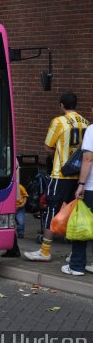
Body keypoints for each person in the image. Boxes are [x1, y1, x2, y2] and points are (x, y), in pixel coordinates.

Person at [25, 92, 89, 261]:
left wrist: (59, 153)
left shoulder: (58, 121)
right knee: (73, 212)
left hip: (60, 174)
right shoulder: (86, 123)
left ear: (62, 105)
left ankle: (45, 251)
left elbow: (48, 147)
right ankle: (74, 253)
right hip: (80, 175)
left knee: (51, 210)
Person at [62, 118, 93, 275]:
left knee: (82, 223)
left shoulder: (92, 130)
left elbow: (88, 158)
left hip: (91, 187)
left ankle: (76, 266)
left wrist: (81, 184)